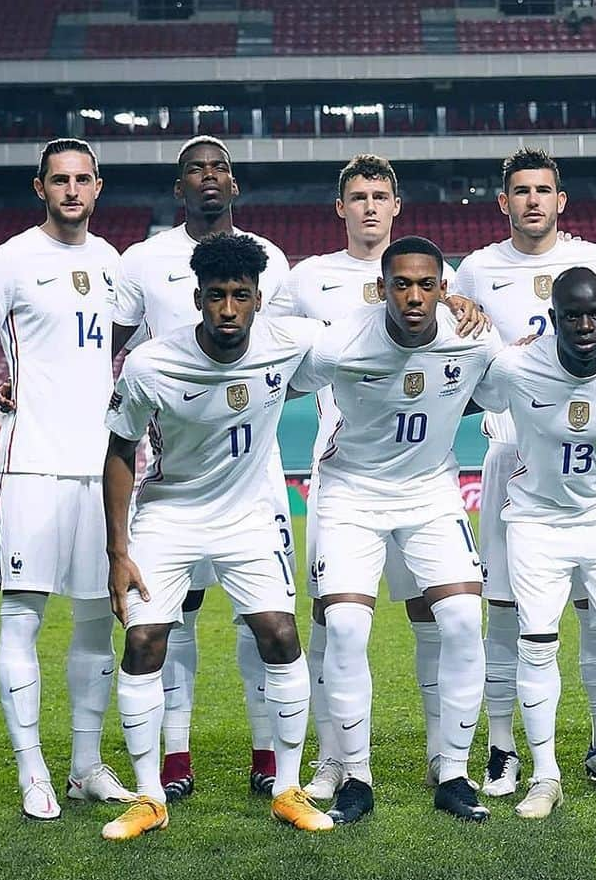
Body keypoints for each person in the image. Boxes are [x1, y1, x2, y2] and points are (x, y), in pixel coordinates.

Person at [101, 233, 338, 840]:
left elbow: (373, 330)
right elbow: (121, 449)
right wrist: (118, 550)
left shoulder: (290, 343)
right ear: (197, 299)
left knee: (279, 634)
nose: (227, 310)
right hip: (170, 513)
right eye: (215, 297)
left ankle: (287, 788)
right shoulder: (152, 362)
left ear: (259, 299)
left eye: (239, 296)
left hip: (247, 518)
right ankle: (149, 797)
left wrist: (452, 305)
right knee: (145, 641)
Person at [288, 153, 483, 800]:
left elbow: (509, 376)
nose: (416, 294)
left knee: (450, 617)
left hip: (427, 485)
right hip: (345, 478)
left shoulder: (458, 318)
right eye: (358, 195)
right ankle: (345, 768)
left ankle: (448, 765)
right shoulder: (318, 297)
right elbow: (277, 371)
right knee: (336, 625)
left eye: (380, 195)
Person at [114, 136, 293, 799]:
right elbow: (108, 346)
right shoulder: (142, 259)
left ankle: (269, 755)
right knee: (173, 615)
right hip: (175, 472)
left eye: (220, 166)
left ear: (235, 183)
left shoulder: (269, 258)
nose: (209, 176)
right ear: (177, 185)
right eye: (196, 168)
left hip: (255, 471)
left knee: (264, 618)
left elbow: (294, 347)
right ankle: (175, 757)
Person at [0, 139, 132, 818]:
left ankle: (85, 765)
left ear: (98, 186)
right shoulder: (9, 260)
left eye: (82, 179)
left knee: (97, 622)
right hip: (31, 460)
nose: (71, 189)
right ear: (40, 187)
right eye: (58, 179)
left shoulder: (111, 261)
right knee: (21, 618)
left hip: (99, 467)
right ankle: (33, 769)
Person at [452, 147, 596, 796]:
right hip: (509, 456)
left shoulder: (593, 262)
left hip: (585, 465)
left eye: (542, 189)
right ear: (503, 201)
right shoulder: (476, 268)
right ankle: (502, 749)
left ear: (561, 199)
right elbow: (463, 358)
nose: (531, 200)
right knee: (504, 612)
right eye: (520, 190)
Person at [474, 267, 596, 818]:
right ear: (552, 320)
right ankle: (544, 775)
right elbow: (457, 381)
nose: (585, 325)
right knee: (537, 644)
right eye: (572, 315)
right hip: (536, 521)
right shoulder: (514, 367)